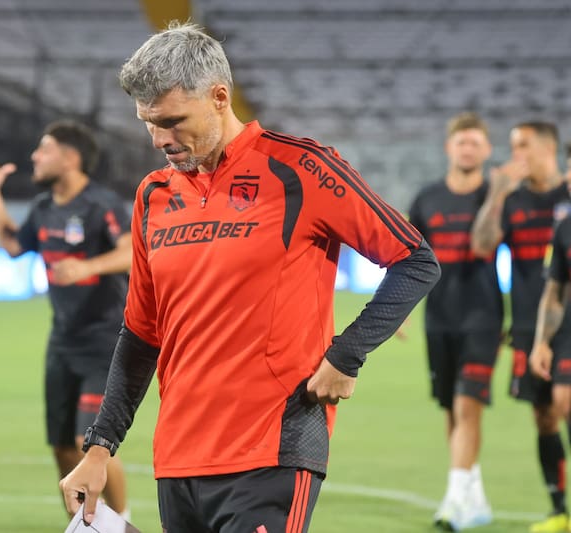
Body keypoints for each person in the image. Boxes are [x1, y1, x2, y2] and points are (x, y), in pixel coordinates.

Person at [58, 21, 440, 532]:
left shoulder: (302, 169)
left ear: (220, 97)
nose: (159, 139)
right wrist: (100, 447)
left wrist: (346, 355)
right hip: (179, 459)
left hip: (273, 447)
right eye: (148, 122)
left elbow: (415, 259)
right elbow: (141, 335)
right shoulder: (153, 195)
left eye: (172, 120)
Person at [0, 119, 133, 519]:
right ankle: (87, 526)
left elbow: (131, 252)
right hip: (62, 343)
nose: (34, 157)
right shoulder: (44, 209)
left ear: (70, 157)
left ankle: (122, 522)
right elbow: (12, 245)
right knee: (63, 447)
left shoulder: (101, 204)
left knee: (89, 441)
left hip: (104, 343)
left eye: (43, 149)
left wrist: (86, 267)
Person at [471, 121, 571, 533]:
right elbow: (481, 245)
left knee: (567, 406)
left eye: (523, 146)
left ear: (548, 148)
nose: (516, 156)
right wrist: (496, 191)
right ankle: (559, 511)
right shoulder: (511, 201)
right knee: (545, 417)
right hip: (532, 326)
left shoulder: (568, 194)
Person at [408, 112, 501, 530]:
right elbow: (406, 255)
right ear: (449, 147)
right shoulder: (427, 198)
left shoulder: (497, 196)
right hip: (439, 318)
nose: (468, 149)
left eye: (475, 142)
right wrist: (397, 310)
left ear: (486, 150)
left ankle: (452, 502)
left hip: (483, 316)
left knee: (468, 405)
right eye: (461, 142)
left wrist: (498, 193)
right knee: (451, 407)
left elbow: (490, 247)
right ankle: (473, 496)